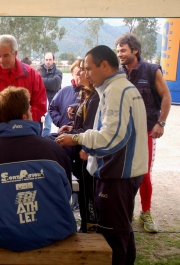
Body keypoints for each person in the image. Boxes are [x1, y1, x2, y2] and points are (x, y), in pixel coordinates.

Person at [56, 45, 148, 264]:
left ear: (104, 65)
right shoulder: (118, 88)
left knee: (112, 235)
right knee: (122, 230)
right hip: (122, 174)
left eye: (89, 68)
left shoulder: (115, 90)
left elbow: (111, 137)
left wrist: (77, 139)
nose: (85, 73)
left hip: (117, 175)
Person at [0, 87, 76, 252]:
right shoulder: (54, 150)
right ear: (24, 116)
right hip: (55, 232)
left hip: (0, 237)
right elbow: (67, 193)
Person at [115, 33, 172, 233]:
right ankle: (127, 211)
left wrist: (161, 123)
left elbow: (166, 96)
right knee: (123, 172)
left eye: (123, 50)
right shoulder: (117, 73)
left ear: (135, 50)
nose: (119, 54)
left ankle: (145, 212)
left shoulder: (151, 70)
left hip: (147, 132)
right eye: (118, 50)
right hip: (123, 132)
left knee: (144, 173)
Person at [57, 58, 100, 233]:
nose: (79, 73)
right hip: (80, 150)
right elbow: (84, 125)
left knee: (88, 192)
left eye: (83, 70)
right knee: (83, 191)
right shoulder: (86, 95)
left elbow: (91, 129)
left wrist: (77, 140)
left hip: (85, 152)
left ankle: (90, 226)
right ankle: (85, 224)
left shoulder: (95, 98)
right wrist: (72, 127)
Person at [0, 34, 46, 129]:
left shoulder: (32, 75)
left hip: (26, 130)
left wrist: (24, 119)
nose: (1, 60)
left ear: (15, 53)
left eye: (6, 55)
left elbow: (40, 104)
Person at [48, 59, 82, 129]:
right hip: (64, 132)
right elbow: (52, 108)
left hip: (82, 135)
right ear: (72, 74)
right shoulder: (63, 91)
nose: (80, 76)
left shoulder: (91, 94)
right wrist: (60, 121)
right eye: (77, 74)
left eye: (82, 73)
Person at [39, 52, 63, 137]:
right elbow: (35, 84)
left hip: (52, 103)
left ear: (54, 60)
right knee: (38, 126)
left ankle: (45, 143)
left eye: (50, 59)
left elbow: (55, 85)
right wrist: (49, 81)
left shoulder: (58, 72)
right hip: (39, 103)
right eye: (46, 59)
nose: (48, 61)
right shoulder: (39, 71)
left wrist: (41, 80)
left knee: (47, 126)